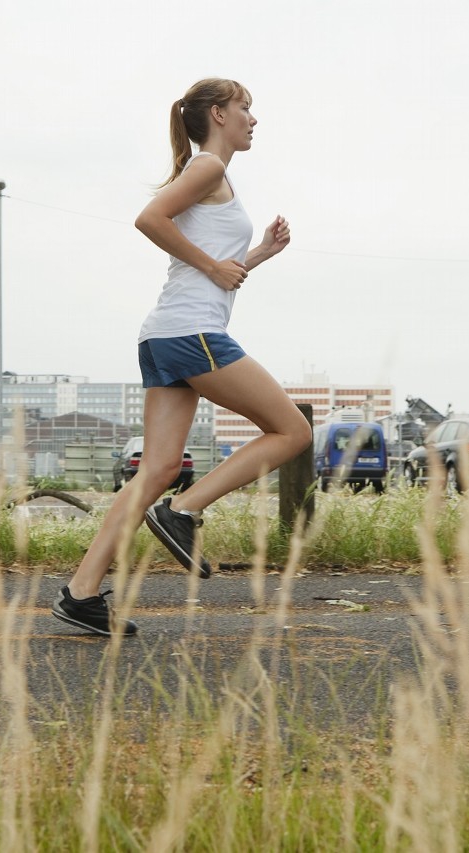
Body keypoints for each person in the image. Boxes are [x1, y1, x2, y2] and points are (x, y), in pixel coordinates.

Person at [51, 78, 311, 636]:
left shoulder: (212, 174)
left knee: (158, 469)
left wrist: (255, 256)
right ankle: (184, 512)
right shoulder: (207, 168)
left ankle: (81, 593)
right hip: (191, 334)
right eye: (246, 108)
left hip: (167, 334)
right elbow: (150, 220)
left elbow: (213, 270)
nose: (253, 119)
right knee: (292, 432)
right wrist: (215, 267)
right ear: (218, 114)